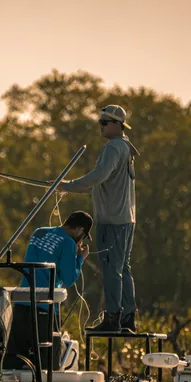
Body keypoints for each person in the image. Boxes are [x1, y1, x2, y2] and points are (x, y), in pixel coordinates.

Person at [59, 105, 140, 333]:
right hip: (126, 220)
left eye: (105, 122)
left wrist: (69, 185)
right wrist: (70, 187)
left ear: (118, 125)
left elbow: (99, 176)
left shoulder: (113, 148)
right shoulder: (125, 147)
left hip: (112, 222)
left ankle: (112, 319)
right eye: (100, 122)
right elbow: (102, 184)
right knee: (123, 268)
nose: (101, 126)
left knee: (111, 270)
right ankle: (127, 320)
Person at [5, 211, 92, 371]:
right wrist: (80, 258)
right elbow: (68, 279)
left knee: (15, 358)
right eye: (84, 236)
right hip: (45, 306)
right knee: (47, 363)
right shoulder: (68, 243)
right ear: (80, 230)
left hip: (22, 301)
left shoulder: (40, 231)